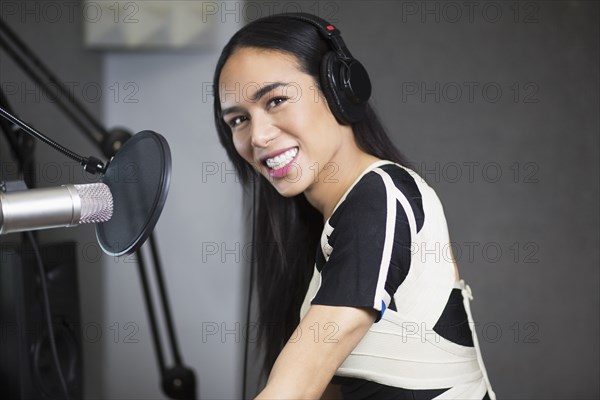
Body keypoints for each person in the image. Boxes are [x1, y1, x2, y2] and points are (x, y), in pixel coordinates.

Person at [212, 12, 496, 400]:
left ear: (338, 89)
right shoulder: (334, 223)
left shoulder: (379, 198)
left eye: (276, 100)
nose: (257, 136)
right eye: (239, 120)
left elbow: (295, 387)